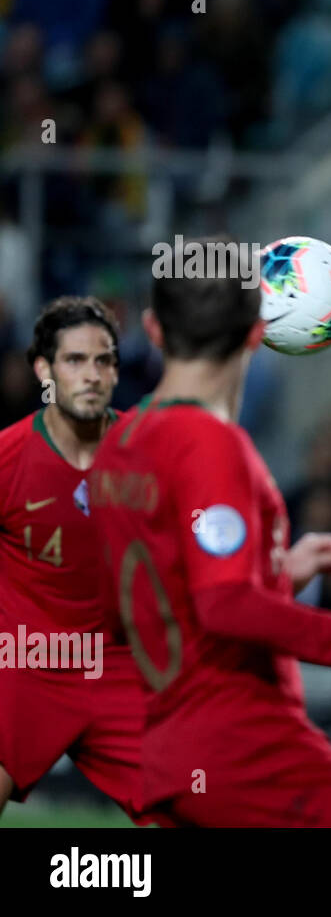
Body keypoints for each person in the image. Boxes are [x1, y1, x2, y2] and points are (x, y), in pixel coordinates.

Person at [89, 243, 331, 826]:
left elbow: (164, 593)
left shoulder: (119, 446)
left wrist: (278, 572)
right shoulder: (212, 446)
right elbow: (225, 606)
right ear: (257, 333)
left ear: (153, 329)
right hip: (246, 745)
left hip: (161, 751)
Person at [0, 298, 147, 821]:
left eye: (103, 360)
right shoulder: (8, 459)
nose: (91, 374)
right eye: (74, 361)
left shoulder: (151, 452)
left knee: (206, 800)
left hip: (120, 666)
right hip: (25, 664)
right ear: (44, 370)